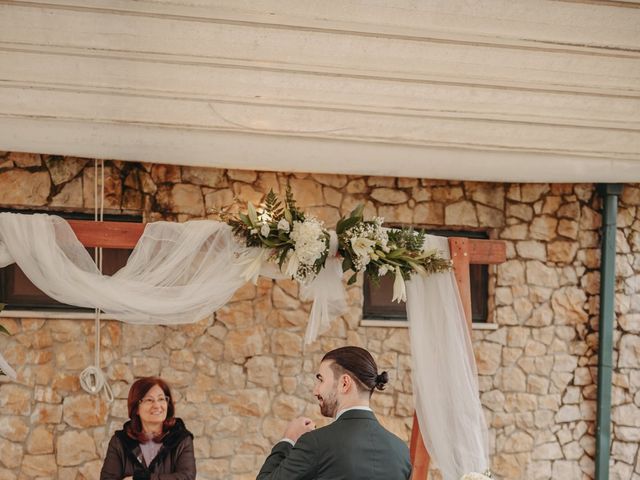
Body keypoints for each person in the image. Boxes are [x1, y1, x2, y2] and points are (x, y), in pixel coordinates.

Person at [257, 346, 412, 479]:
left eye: (321, 380)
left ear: (344, 383)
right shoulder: (401, 451)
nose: (315, 390)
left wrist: (288, 440)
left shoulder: (315, 443)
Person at [100, 377, 196, 480]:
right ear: (136, 408)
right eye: (149, 400)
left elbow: (187, 477)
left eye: (161, 399)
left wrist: (141, 478)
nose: (157, 405)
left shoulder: (181, 439)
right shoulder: (119, 441)